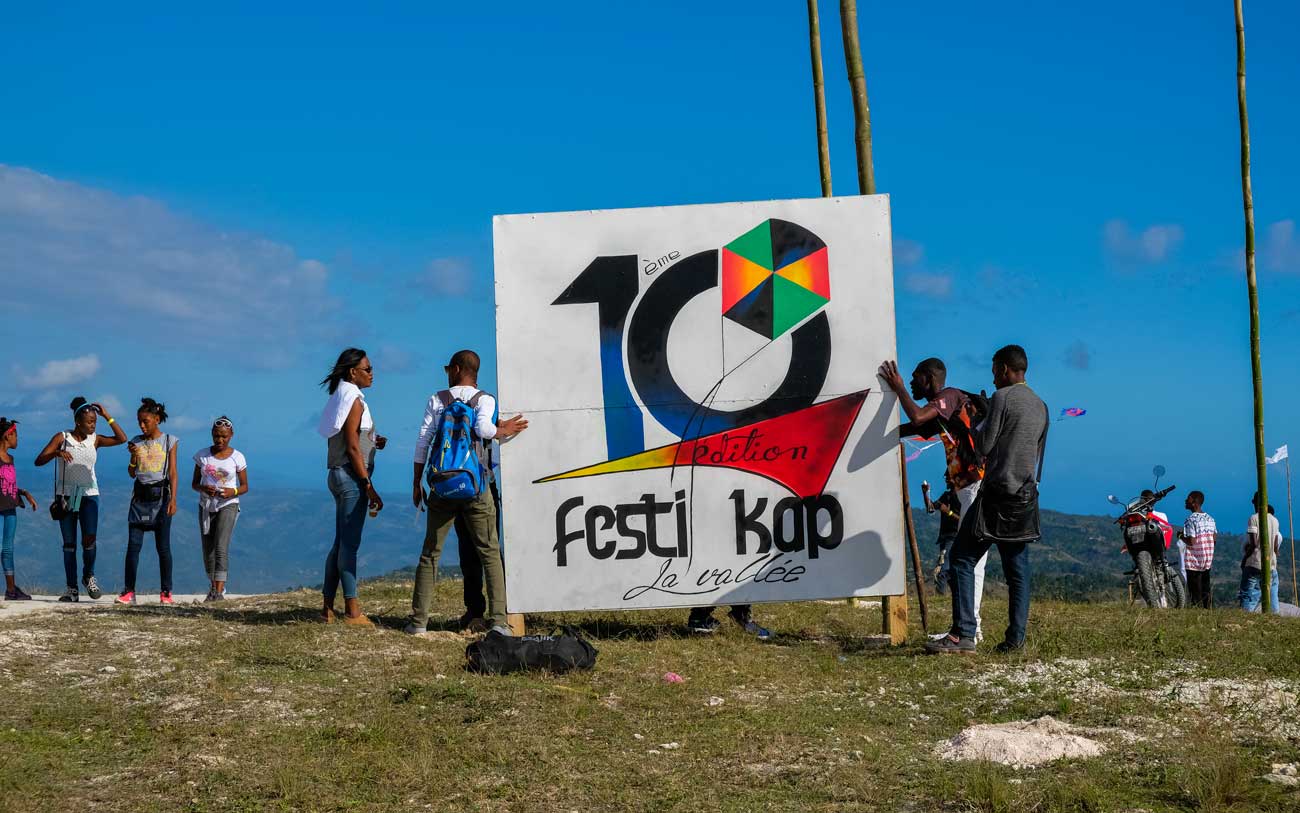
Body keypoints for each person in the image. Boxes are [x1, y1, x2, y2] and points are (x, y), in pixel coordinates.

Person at [926, 345, 1048, 655]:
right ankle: (1015, 640)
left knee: (962, 559)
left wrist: (978, 419)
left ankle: (964, 634)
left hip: (994, 495)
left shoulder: (1002, 399)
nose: (993, 377)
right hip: (1024, 497)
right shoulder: (1041, 406)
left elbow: (983, 446)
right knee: (1017, 571)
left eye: (995, 370)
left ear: (1006, 369)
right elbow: (1035, 453)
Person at [404, 350, 527, 637]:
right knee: (489, 552)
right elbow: (483, 429)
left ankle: (419, 621)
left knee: (430, 553)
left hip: (442, 486)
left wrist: (416, 482)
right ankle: (498, 620)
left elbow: (423, 441)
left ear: (457, 369)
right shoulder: (485, 399)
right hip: (475, 486)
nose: (447, 372)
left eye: (448, 368)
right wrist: (501, 429)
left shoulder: (437, 400)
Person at [879, 357, 988, 638]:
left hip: (975, 487)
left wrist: (898, 387)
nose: (913, 383)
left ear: (929, 377)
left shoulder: (948, 396)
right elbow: (915, 428)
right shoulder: (943, 410)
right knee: (968, 559)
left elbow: (916, 417)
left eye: (915, 378)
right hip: (968, 488)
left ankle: (970, 628)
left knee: (968, 559)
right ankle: (969, 626)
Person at [33, 397, 128, 601]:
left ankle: (88, 576)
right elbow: (38, 460)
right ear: (78, 422)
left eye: (95, 421)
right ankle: (71, 588)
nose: (93, 425)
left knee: (89, 540)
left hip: (89, 495)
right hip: (66, 496)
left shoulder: (95, 440)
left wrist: (108, 417)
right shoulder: (62, 437)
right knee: (69, 544)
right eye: (90, 422)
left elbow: (122, 438)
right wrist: (57, 453)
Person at [318, 348, 386, 625]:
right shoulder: (354, 400)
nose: (372, 373)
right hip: (351, 477)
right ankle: (352, 610)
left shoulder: (340, 397)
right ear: (352, 372)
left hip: (337, 474)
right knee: (349, 544)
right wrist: (368, 486)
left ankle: (327, 608)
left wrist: (374, 440)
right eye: (368, 369)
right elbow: (353, 447)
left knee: (340, 543)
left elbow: (353, 438)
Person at [117, 398, 179, 605]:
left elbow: (173, 472)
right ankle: (129, 591)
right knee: (133, 546)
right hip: (140, 496)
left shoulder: (170, 440)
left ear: (157, 419)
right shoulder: (136, 441)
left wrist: (174, 499)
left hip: (161, 496)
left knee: (163, 548)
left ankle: (166, 592)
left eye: (146, 421)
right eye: (139, 422)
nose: (142, 426)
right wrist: (133, 457)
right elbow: (131, 472)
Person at [192, 417, 248, 602]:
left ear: (231, 435)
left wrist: (231, 491)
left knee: (221, 546)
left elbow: (245, 486)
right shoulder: (202, 455)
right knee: (207, 549)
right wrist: (203, 488)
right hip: (207, 505)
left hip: (228, 504)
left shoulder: (237, 457)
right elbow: (194, 483)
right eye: (216, 436)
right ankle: (213, 586)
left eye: (224, 436)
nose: (220, 440)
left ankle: (219, 590)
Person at [0, 418, 38, 601]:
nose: (18, 440)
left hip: (10, 507)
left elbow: (8, 484)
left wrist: (24, 493)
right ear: (8, 435)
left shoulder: (10, 459)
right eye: (16, 436)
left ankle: (11, 590)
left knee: (7, 549)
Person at [1240, 493, 1282, 614]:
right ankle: (1273, 619)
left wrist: (1244, 560)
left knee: (1247, 595)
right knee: (1273, 595)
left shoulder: (1254, 518)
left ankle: (1244, 619)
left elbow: (1253, 544)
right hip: (1271, 565)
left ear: (1255, 502)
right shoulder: (1275, 520)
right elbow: (1275, 546)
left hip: (1255, 563)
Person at [1178, 490, 1216, 609]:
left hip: (1194, 561)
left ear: (1194, 502)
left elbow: (1191, 541)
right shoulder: (1210, 519)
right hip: (1207, 560)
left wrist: (1180, 536)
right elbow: (1214, 539)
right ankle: (1208, 612)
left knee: (1195, 594)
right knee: (1206, 590)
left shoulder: (1190, 520)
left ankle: (1197, 615)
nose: (1185, 501)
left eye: (1188, 499)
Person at [922, 480, 961, 595]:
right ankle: (953, 596)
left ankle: (941, 596)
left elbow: (964, 520)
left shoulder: (964, 496)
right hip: (945, 538)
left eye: (948, 476)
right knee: (950, 571)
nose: (945, 479)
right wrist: (925, 493)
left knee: (942, 570)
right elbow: (931, 508)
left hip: (954, 537)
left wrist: (948, 512)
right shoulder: (947, 495)